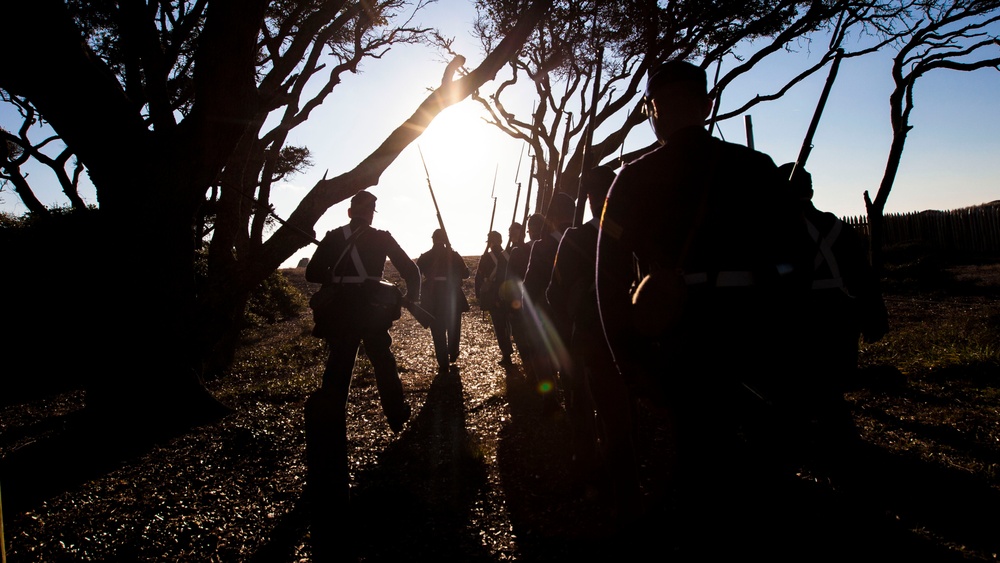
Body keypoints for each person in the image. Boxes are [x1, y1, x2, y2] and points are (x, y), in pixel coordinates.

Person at [595, 60, 809, 544]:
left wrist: (628, 359)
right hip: (756, 339)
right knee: (762, 472)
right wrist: (786, 334)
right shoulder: (756, 168)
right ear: (707, 105)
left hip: (675, 345)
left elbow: (606, 281)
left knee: (694, 469)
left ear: (652, 110)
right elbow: (798, 261)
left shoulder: (628, 180)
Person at [302, 190, 421, 534]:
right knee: (383, 360)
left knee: (339, 366)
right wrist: (411, 299)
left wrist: (334, 273)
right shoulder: (381, 238)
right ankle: (397, 416)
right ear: (368, 213)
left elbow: (312, 274)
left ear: (351, 211)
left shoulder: (332, 237)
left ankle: (328, 431)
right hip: (371, 311)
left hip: (341, 314)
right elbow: (410, 271)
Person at [778, 163, 889, 465]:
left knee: (810, 388)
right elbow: (862, 276)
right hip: (841, 314)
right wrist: (874, 316)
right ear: (810, 191)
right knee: (829, 386)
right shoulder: (838, 228)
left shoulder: (778, 231)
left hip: (803, 317)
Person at [546, 166, 642, 513]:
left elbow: (552, 293)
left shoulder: (574, 237)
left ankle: (611, 483)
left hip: (590, 335)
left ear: (589, 199)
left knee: (597, 410)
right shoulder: (634, 233)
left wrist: (575, 319)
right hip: (632, 333)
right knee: (625, 409)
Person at [522, 192, 576, 410]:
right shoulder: (586, 236)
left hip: (550, 311)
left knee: (543, 354)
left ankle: (551, 398)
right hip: (580, 310)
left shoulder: (541, 246)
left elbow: (530, 285)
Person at [417, 228, 470, 372]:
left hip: (432, 295)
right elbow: (466, 274)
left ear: (433, 239)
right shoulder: (453, 255)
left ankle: (443, 361)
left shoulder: (425, 256)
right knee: (454, 326)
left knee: (437, 329)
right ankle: (453, 353)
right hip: (451, 293)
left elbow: (415, 275)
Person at [504, 213, 544, 375]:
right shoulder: (553, 246)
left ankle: (533, 373)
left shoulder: (519, 251)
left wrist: (510, 308)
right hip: (547, 305)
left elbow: (510, 282)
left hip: (524, 304)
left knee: (526, 341)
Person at [476, 230, 514, 365]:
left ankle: (506, 354)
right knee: (509, 324)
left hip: (493, 296)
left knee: (499, 325)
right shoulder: (509, 254)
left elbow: (479, 277)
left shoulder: (485, 257)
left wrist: (480, 297)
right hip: (509, 294)